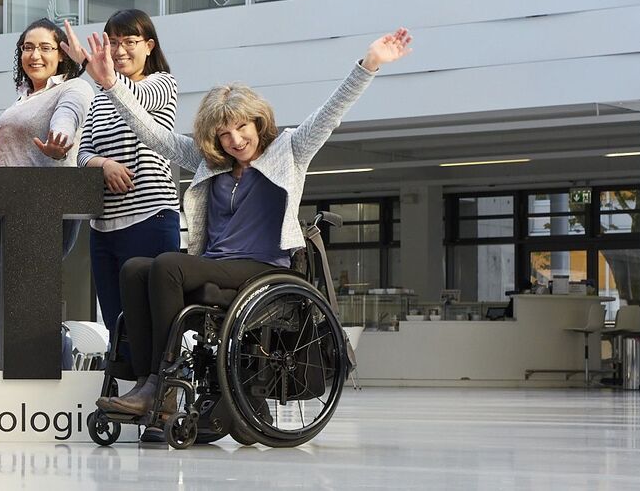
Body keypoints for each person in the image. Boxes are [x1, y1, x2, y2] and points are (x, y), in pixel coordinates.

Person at [92, 28, 414, 438]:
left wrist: (369, 64)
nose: (235, 140)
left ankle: (163, 386)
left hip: (264, 269)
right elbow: (156, 136)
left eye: (241, 127)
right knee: (136, 269)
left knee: (168, 266)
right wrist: (110, 86)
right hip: (217, 266)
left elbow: (331, 112)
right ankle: (146, 381)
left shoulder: (289, 150)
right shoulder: (213, 161)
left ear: (257, 122)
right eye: (224, 134)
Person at [0, 18, 93, 358]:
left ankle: (42, 379)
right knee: (11, 303)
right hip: (7, 206)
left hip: (43, 205)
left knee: (5, 302)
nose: (35, 55)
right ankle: (23, 380)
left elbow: (68, 117)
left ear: (61, 55)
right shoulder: (21, 99)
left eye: (46, 48)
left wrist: (59, 140)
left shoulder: (72, 88)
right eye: (28, 47)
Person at [73, 9, 181, 347]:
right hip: (104, 228)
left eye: (129, 42)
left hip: (150, 217)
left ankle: (158, 393)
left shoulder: (162, 83)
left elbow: (137, 103)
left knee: (152, 316)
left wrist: (105, 79)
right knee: (116, 321)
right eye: (113, 42)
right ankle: (123, 394)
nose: (119, 50)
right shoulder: (99, 98)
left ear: (149, 45)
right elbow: (82, 153)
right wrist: (103, 164)